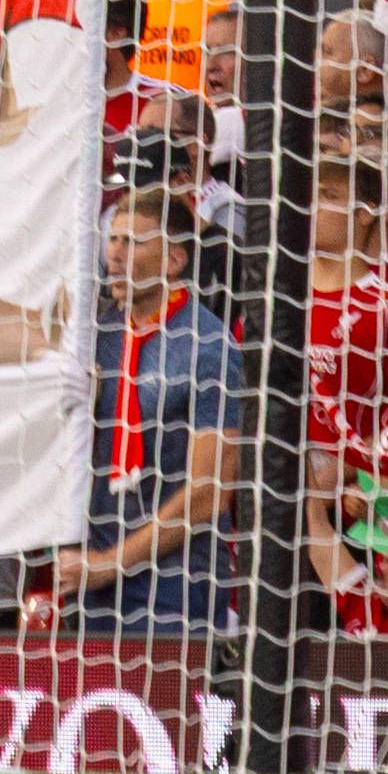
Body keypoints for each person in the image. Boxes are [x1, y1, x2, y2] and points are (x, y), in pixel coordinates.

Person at [42, 182, 239, 638]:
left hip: (174, 585)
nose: (115, 253)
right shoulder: (95, 335)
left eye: (132, 242)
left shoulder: (209, 348)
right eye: (113, 238)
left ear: (174, 260)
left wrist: (110, 566)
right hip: (89, 576)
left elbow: (208, 494)